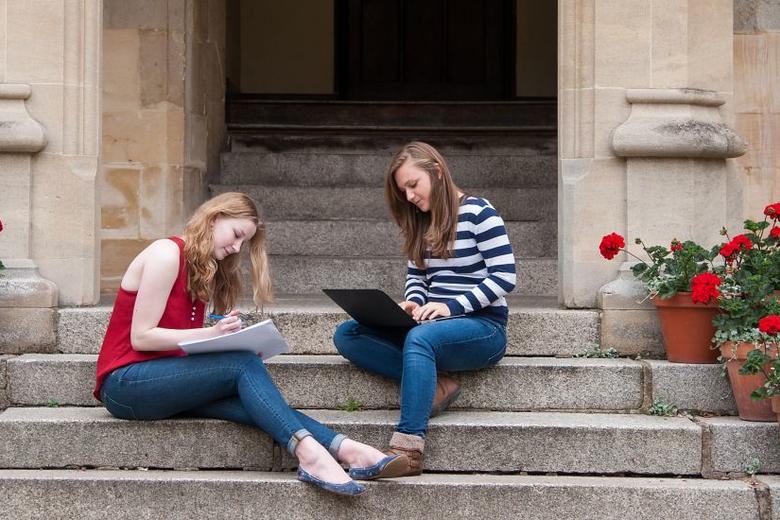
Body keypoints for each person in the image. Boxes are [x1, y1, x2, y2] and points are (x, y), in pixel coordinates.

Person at [93, 192, 393, 496]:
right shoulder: (166, 254)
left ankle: (346, 448)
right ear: (215, 218)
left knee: (254, 401)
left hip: (160, 380)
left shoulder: (203, 268)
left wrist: (225, 338)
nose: (236, 247)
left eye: (243, 242)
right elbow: (141, 337)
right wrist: (213, 335)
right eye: (236, 235)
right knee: (242, 364)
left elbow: (179, 345)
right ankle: (311, 455)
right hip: (124, 383)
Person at [334, 142, 516, 479]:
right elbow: (418, 276)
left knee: (420, 339)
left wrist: (448, 308)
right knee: (348, 334)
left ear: (436, 169)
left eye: (413, 185)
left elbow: (505, 276)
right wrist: (413, 302)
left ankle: (408, 450)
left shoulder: (479, 212)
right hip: (432, 327)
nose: (409, 196)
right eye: (403, 190)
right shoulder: (420, 224)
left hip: (483, 328)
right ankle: (437, 385)